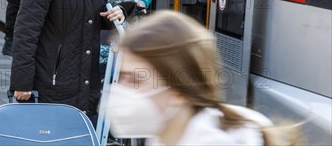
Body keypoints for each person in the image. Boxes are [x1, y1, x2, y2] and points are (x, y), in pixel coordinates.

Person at [105, 11, 300, 145]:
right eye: (121, 77)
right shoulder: (166, 136)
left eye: (135, 80)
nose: (120, 90)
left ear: (178, 91)